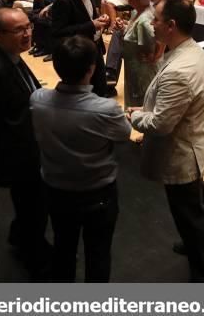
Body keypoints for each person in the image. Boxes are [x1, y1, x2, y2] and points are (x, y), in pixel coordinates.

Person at [128, 0, 204, 282]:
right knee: (195, 210)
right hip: (190, 144)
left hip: (181, 155)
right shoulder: (189, 50)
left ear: (171, 25)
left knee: (190, 215)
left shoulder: (180, 70)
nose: (151, 24)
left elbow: (161, 123)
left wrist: (135, 116)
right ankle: (196, 244)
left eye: (155, 19)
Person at [30, 35, 133, 282]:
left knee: (63, 248)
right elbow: (124, 134)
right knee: (98, 255)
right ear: (92, 68)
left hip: (56, 190)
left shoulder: (38, 100)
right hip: (97, 193)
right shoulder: (105, 109)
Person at [0, 8, 49, 279]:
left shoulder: (12, 57)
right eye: (19, 30)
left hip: (28, 149)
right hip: (19, 156)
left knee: (29, 205)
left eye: (28, 26)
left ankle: (20, 238)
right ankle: (34, 257)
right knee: (33, 207)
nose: (28, 33)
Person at [50, 0, 109, 96]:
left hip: (94, 47)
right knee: (90, 94)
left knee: (101, 88)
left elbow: (87, 15)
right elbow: (58, 32)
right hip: (80, 56)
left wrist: (98, 19)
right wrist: (91, 25)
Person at [116, 0, 164, 108]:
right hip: (134, 69)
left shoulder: (144, 20)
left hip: (143, 72)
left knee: (141, 107)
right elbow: (134, 34)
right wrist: (124, 27)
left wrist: (154, 55)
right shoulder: (137, 12)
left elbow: (159, 39)